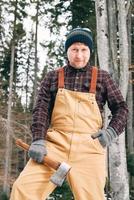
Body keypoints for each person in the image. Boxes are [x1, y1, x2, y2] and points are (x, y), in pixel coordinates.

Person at [10, 28, 128, 200]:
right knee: (23, 190)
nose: (79, 55)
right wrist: (38, 140)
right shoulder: (52, 77)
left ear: (90, 51)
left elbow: (122, 108)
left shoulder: (102, 77)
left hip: (90, 148)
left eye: (83, 50)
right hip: (55, 145)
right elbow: (41, 110)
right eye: (74, 49)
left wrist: (111, 132)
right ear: (67, 51)